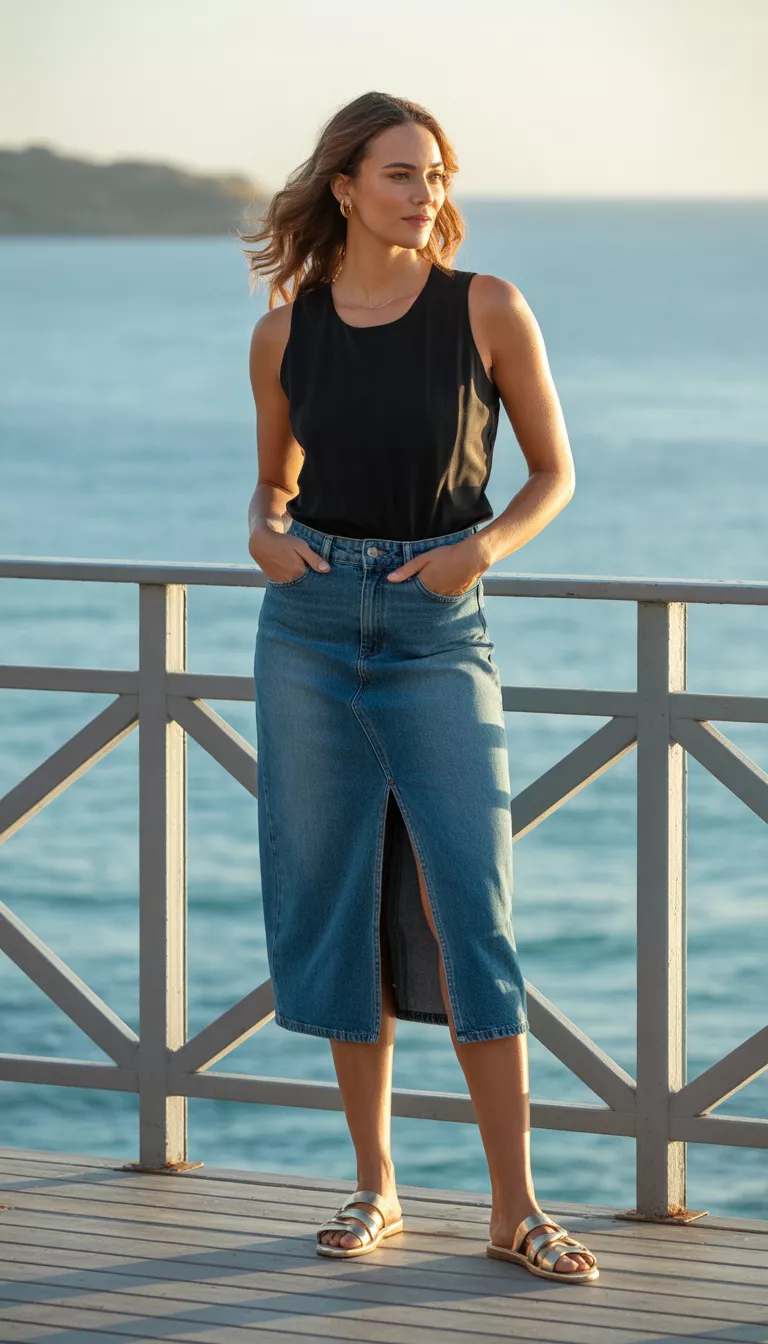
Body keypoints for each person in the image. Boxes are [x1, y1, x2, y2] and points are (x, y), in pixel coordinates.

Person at [241, 91, 598, 1283]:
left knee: (470, 904)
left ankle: (516, 1209)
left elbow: (553, 473)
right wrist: (261, 528)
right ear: (344, 188)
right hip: (307, 626)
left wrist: (478, 552)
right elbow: (274, 482)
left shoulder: (485, 307)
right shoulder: (284, 332)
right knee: (336, 898)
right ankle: (375, 1186)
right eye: (401, 174)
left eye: (436, 173)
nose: (426, 193)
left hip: (438, 623)